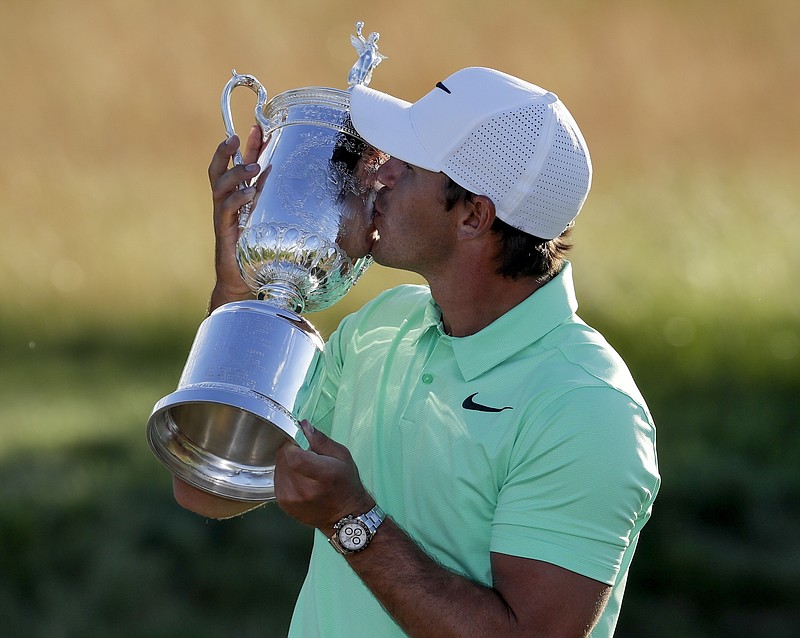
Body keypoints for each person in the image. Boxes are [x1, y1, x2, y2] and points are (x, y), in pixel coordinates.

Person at [174, 67, 661, 637]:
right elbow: (206, 482)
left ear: (473, 215)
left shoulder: (587, 408)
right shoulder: (381, 328)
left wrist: (353, 520)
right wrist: (241, 294)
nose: (380, 173)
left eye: (407, 165)